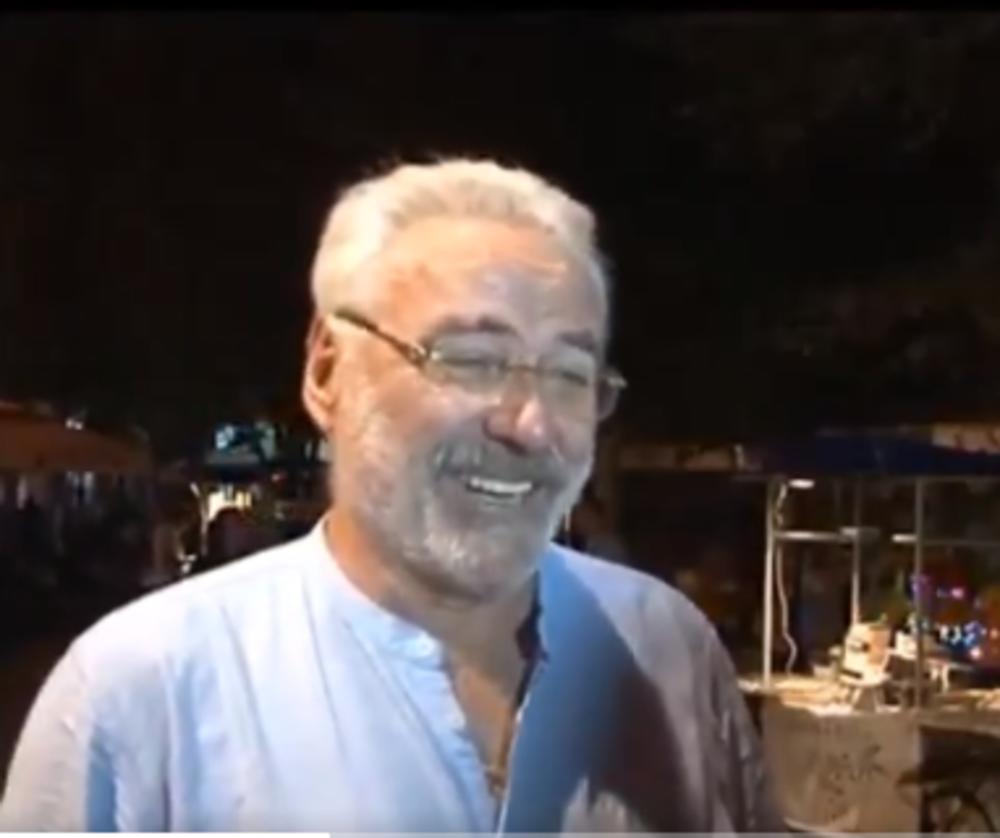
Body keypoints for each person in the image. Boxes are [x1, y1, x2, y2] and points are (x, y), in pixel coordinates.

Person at [0, 159, 782, 832]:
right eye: (471, 359)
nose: (530, 424)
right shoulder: (143, 691)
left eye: (570, 374)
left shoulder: (668, 646)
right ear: (327, 371)